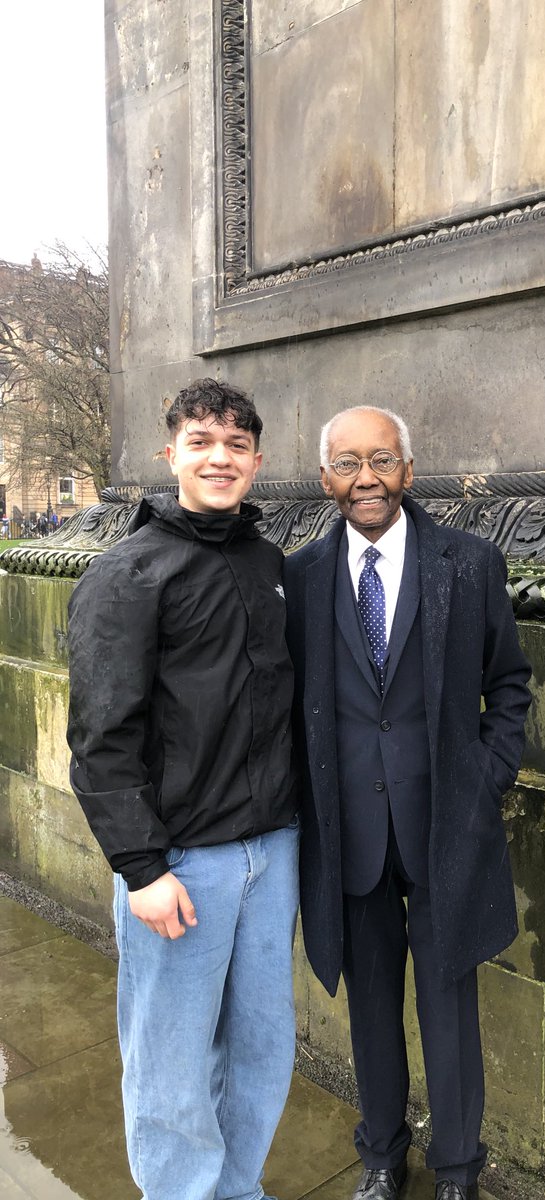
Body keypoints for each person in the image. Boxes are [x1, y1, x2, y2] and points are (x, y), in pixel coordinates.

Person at [283, 407, 531, 1200]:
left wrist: (486, 779)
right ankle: (383, 1155)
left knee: (449, 1007)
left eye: (382, 460)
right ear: (326, 479)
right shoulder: (299, 579)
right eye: (349, 464)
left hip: (445, 831)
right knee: (372, 1013)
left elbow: (510, 686)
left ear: (408, 471)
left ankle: (459, 1169)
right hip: (350, 834)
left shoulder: (470, 563)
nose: (367, 478)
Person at [66, 378, 299, 1200]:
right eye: (201, 442)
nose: (219, 458)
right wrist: (140, 866)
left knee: (263, 1050)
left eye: (235, 445)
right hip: (182, 867)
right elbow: (101, 736)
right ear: (171, 455)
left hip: (272, 851)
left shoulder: (269, 562)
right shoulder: (128, 573)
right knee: (170, 1065)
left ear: (257, 461)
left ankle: (237, 1190)